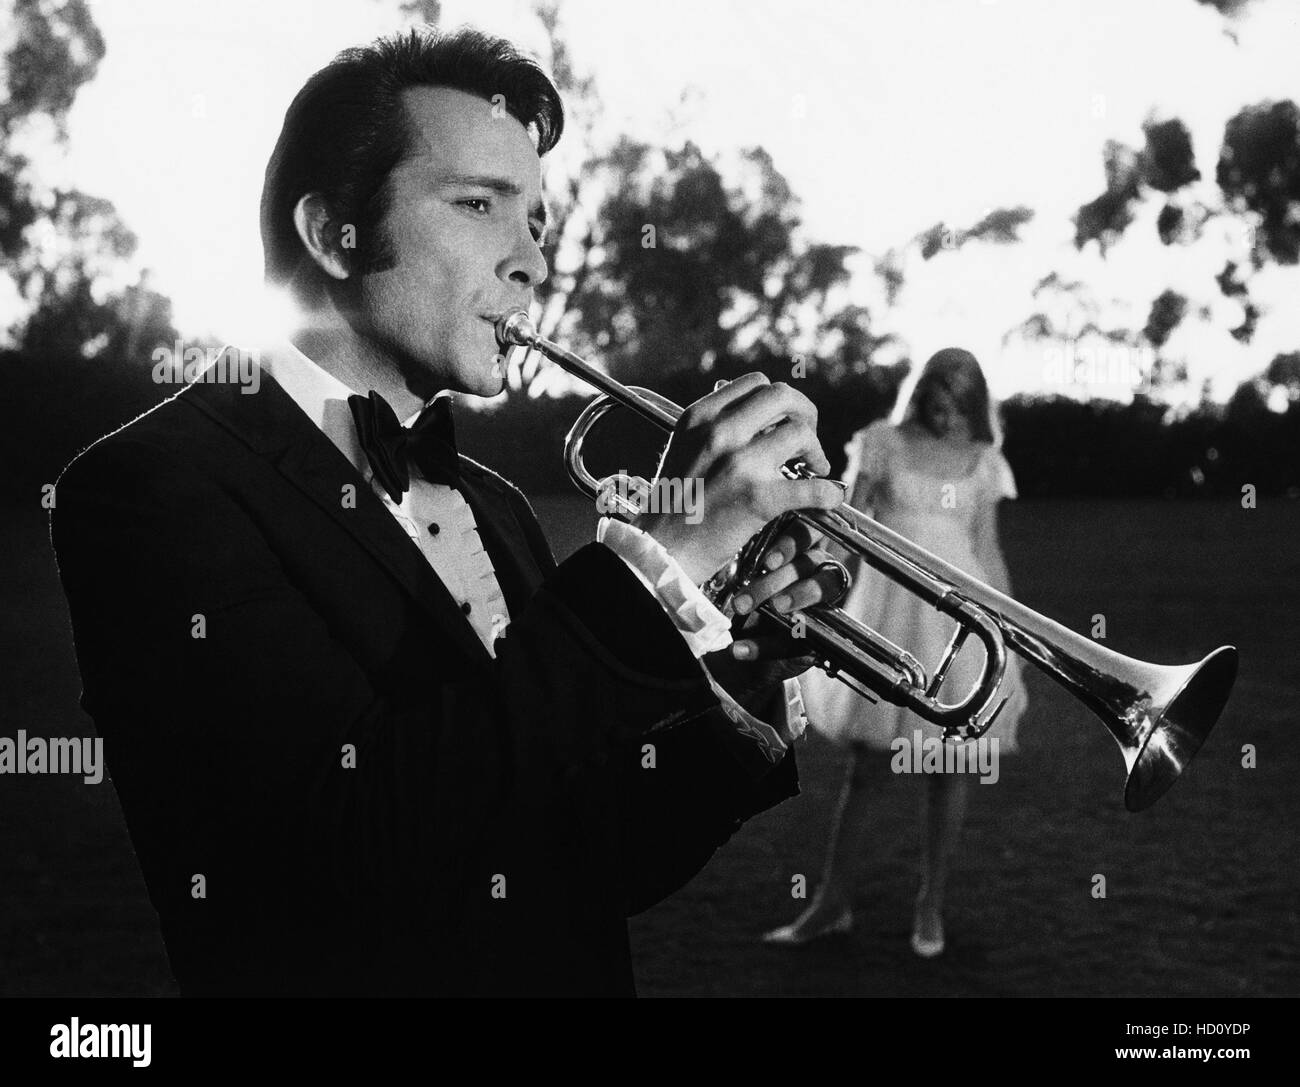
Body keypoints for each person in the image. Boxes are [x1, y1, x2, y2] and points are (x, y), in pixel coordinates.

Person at [49, 27, 850, 997]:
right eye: (479, 205)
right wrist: (658, 566)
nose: (531, 264)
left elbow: (592, 855)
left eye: (539, 225)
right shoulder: (146, 488)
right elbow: (341, 850)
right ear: (332, 231)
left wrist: (735, 667)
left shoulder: (497, 507)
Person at [763, 347, 1027, 957]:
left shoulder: (986, 460)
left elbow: (986, 549)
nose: (945, 411)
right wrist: (822, 589)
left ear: (973, 402)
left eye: (958, 402)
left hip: (959, 617)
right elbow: (846, 526)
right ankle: (832, 903)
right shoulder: (882, 440)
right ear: (924, 391)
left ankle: (929, 907)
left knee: (951, 768)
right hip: (888, 611)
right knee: (870, 767)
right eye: (937, 396)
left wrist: (1010, 630)